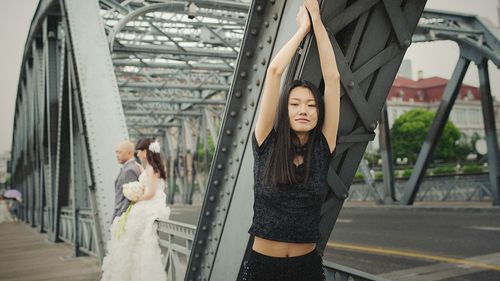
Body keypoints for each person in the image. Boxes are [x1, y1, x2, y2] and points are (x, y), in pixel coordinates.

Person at [240, 1, 340, 281]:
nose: (303, 110)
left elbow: (332, 80)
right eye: (295, 104)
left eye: (311, 105)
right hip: (263, 267)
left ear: (319, 112)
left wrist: (318, 23)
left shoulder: (322, 147)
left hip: (306, 268)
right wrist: (303, 29)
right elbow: (273, 72)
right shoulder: (266, 144)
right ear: (284, 110)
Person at [101, 138, 171, 281]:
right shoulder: (147, 167)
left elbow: (151, 192)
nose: (137, 154)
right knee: (133, 237)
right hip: (148, 201)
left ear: (145, 151)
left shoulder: (151, 168)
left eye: (139, 151)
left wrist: (136, 198)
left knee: (133, 235)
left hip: (150, 203)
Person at [113, 141, 142, 220]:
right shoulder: (131, 167)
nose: (117, 155)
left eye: (119, 152)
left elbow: (130, 199)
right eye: (116, 152)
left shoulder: (129, 170)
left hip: (123, 216)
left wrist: (119, 216)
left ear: (129, 153)